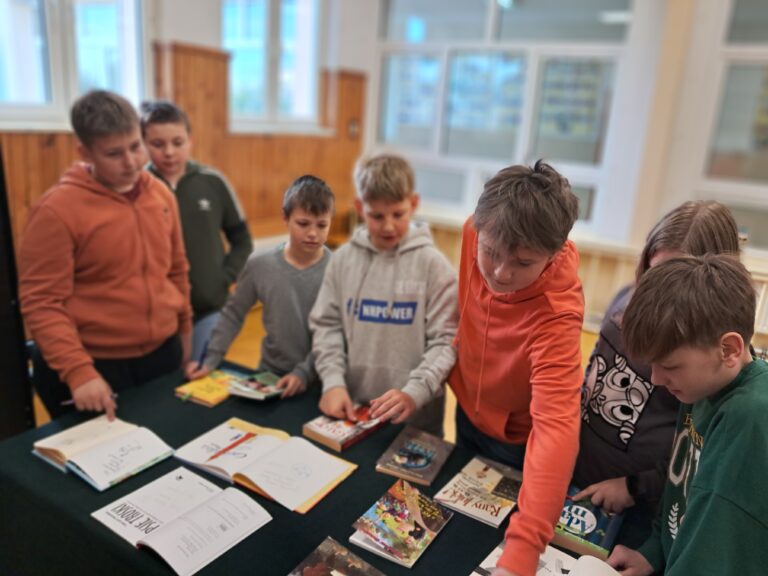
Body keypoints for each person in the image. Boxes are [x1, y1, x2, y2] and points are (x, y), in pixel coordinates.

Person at [19, 90, 192, 421]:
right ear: (85, 153)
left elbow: (176, 270)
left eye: (135, 147)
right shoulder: (55, 211)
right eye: (114, 153)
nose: (131, 162)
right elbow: (42, 302)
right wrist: (78, 372)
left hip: (162, 353)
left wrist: (184, 336)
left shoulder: (160, 195)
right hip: (93, 365)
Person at [447, 160, 584, 576]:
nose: (501, 273)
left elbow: (557, 427)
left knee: (487, 546)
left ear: (554, 253)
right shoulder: (477, 227)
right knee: (455, 537)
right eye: (490, 253)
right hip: (466, 409)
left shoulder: (558, 312)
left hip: (517, 442)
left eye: (523, 263)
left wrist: (523, 551)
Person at [573, 202, 741, 521]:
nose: (658, 288)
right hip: (577, 469)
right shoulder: (627, 294)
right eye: (654, 272)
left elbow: (695, 449)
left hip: (631, 504)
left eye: (674, 275)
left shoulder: (705, 354)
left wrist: (636, 487)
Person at [607, 254, 768, 575]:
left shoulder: (749, 416)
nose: (655, 379)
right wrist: (654, 553)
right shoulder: (700, 386)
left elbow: (719, 547)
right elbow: (679, 491)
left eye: (669, 366)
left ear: (729, 350)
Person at [310, 154, 458, 434]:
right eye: (377, 216)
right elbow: (326, 325)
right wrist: (333, 382)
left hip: (415, 420)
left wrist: (415, 391)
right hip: (353, 411)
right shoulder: (342, 261)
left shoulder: (434, 266)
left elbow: (447, 341)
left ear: (413, 204)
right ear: (359, 208)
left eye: (398, 214)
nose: (388, 226)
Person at [186, 175, 334, 397]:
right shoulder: (260, 265)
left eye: (322, 225)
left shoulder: (337, 269)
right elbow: (233, 313)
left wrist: (304, 373)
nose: (313, 233)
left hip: (321, 380)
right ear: (285, 218)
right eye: (303, 224)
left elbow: (336, 332)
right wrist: (210, 360)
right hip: (269, 376)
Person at [140, 100, 252, 361]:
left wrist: (223, 278)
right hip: (158, 316)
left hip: (209, 308)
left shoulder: (212, 181)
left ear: (190, 140)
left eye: (177, 143)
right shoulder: (139, 188)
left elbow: (242, 240)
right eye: (157, 144)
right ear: (144, 144)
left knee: (200, 376)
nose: (169, 152)